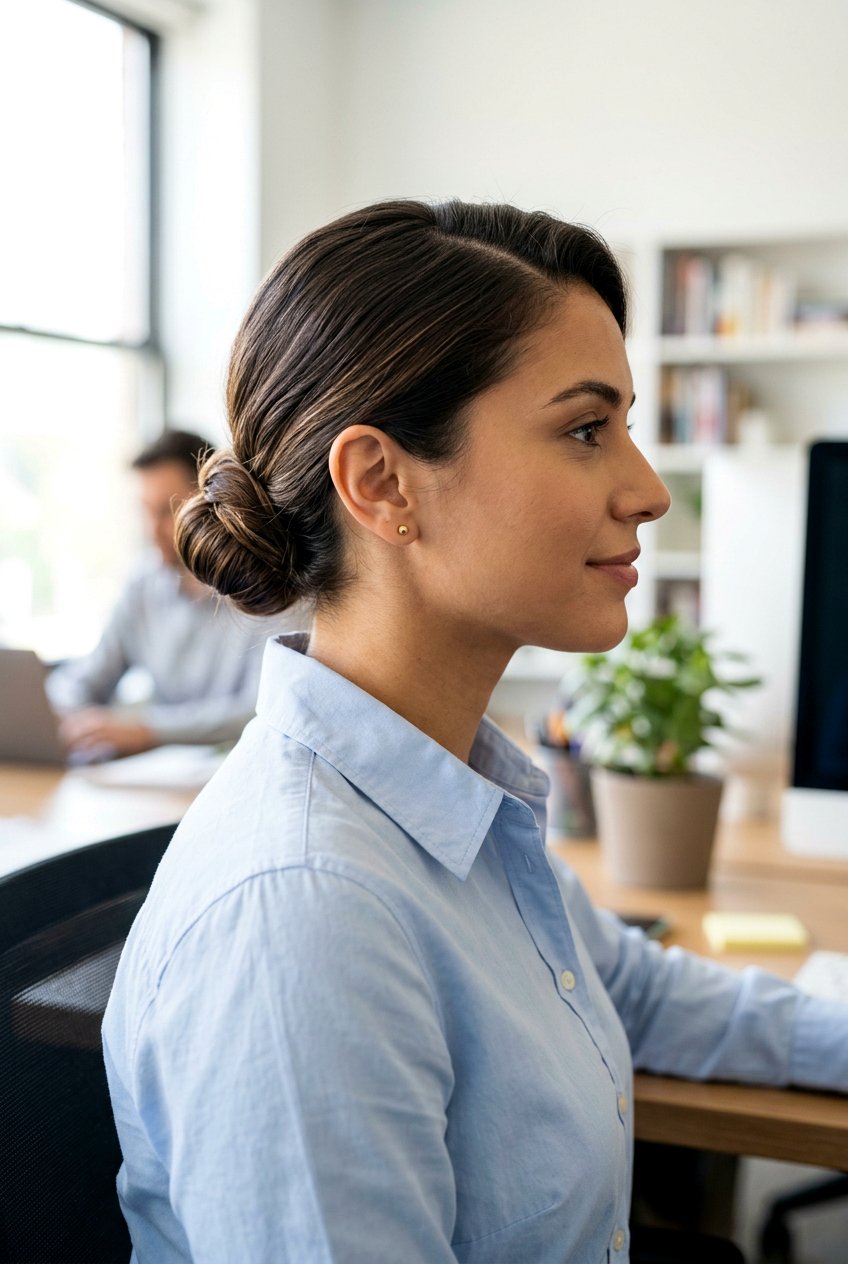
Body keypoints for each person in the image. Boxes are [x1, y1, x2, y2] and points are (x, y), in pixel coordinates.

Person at [103, 201, 848, 1263]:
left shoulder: (452, 791)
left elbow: (635, 991)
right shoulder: (307, 917)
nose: (646, 490)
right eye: (585, 430)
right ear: (382, 484)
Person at [47, 429, 305, 759]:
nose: (152, 530)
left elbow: (257, 709)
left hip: (236, 767)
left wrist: (148, 731)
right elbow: (86, 677)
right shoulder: (143, 585)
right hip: (160, 774)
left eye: (166, 512)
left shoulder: (267, 590)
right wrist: (66, 715)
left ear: (213, 504)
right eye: (145, 511)